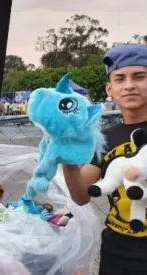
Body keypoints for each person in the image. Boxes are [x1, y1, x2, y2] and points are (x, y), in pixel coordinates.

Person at [63, 43, 147, 275]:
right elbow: (81, 196)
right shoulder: (104, 139)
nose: (129, 85)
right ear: (110, 89)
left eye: (139, 76)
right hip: (119, 249)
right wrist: (67, 157)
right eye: (120, 79)